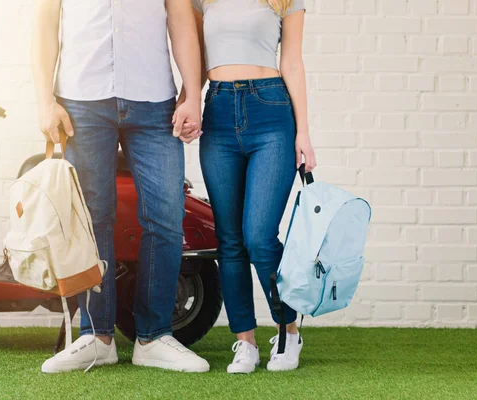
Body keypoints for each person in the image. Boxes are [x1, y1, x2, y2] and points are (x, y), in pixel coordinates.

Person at [31, 0, 208, 373]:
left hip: (155, 99)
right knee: (93, 220)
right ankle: (96, 337)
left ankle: (154, 337)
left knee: (165, 216)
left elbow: (180, 18)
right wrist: (44, 100)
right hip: (81, 99)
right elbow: (46, 22)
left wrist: (193, 93)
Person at [176, 0, 316, 374]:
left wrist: (303, 132)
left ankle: (287, 331)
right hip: (218, 111)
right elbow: (198, 57)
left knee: (259, 237)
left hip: (271, 111)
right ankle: (245, 342)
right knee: (230, 240)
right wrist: (187, 100)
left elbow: (292, 62)